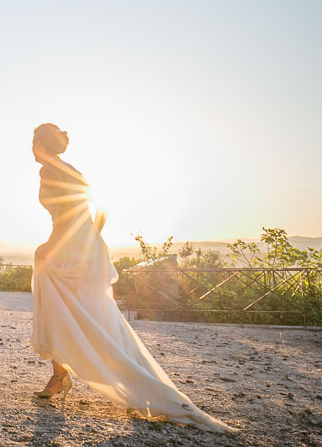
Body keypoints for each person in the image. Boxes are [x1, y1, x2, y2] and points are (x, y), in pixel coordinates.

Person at [30, 123, 233, 432]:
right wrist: (89, 239)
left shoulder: (51, 172)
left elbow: (69, 215)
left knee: (71, 308)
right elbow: (100, 208)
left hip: (70, 247)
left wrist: (54, 245)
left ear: (39, 145)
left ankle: (106, 379)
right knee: (79, 310)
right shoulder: (70, 170)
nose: (31, 148)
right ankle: (60, 376)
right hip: (86, 246)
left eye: (33, 141)